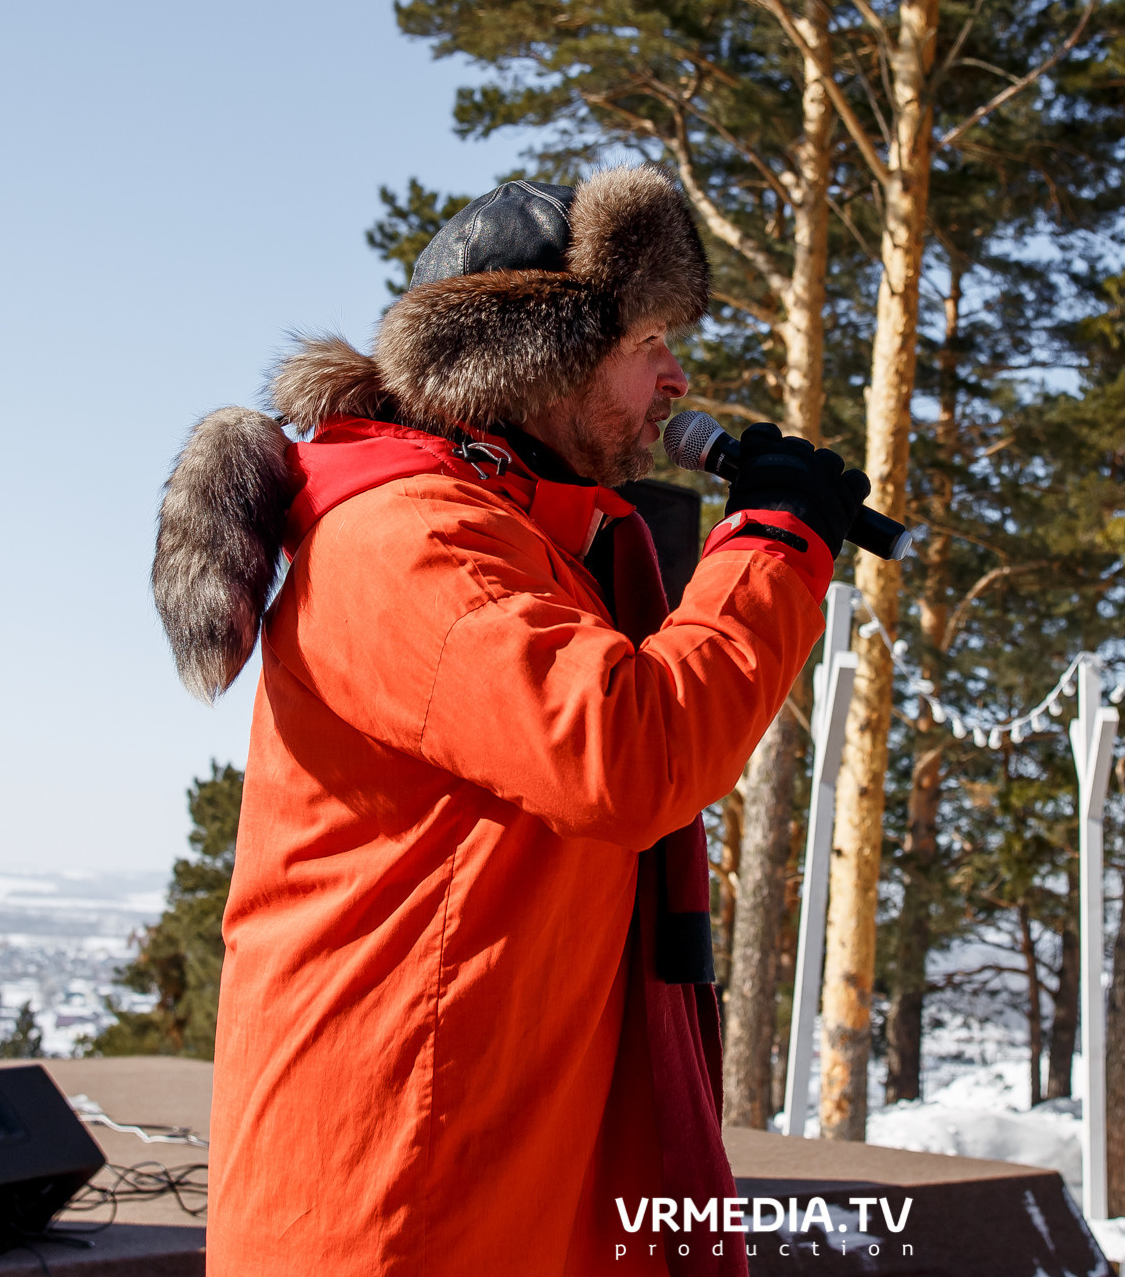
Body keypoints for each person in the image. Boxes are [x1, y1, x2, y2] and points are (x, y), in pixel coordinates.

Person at [150, 168, 870, 1277]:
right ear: (542, 363)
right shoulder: (412, 541)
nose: (675, 378)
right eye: (648, 341)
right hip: (396, 1194)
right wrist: (772, 545)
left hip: (492, 1167)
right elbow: (627, 752)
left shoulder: (525, 537)